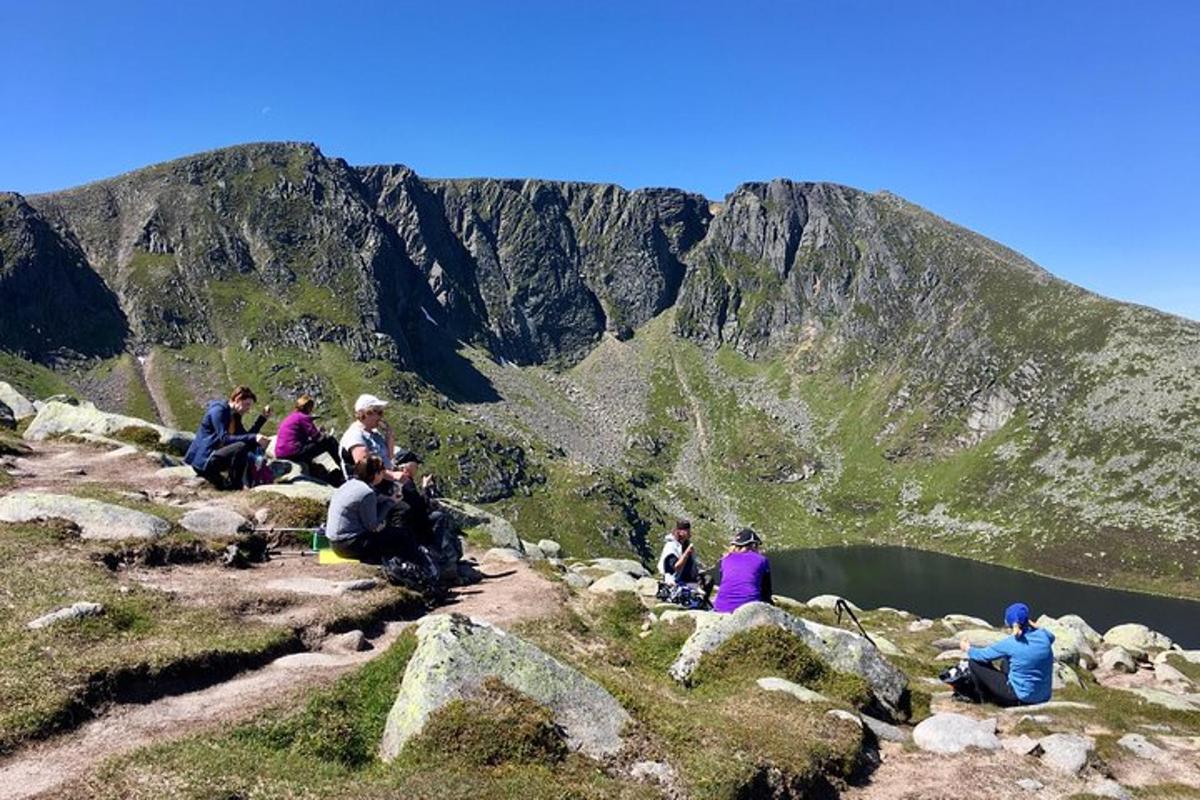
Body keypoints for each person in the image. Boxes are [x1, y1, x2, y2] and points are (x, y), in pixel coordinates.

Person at [953, 602, 1055, 707]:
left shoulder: (1011, 643)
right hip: (1043, 696)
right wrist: (1032, 624)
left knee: (974, 663)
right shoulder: (1044, 636)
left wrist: (967, 648)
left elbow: (981, 655)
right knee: (1005, 662)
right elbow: (1052, 636)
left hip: (1020, 697)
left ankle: (984, 699)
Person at [391, 450, 465, 583]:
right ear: (407, 466)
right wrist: (426, 489)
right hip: (411, 525)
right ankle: (436, 551)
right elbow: (420, 507)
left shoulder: (397, 480)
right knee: (439, 516)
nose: (417, 468)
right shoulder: (405, 482)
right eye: (415, 465)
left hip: (404, 523)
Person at [184, 386, 270, 490]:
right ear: (238, 400)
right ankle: (235, 486)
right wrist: (254, 437)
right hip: (206, 459)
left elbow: (245, 437)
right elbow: (224, 438)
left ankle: (241, 483)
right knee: (241, 446)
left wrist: (262, 419)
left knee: (248, 444)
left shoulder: (234, 416)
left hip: (217, 456)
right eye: (247, 405)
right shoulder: (219, 411)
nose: (248, 409)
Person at [325, 455, 408, 563]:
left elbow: (375, 500)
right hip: (349, 545)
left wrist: (388, 499)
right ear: (376, 474)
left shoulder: (349, 484)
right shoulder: (367, 493)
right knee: (400, 535)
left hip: (335, 542)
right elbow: (373, 526)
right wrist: (390, 503)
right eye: (382, 472)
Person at [274, 395, 344, 486]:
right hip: (293, 452)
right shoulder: (303, 417)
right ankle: (345, 467)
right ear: (308, 407)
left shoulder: (292, 416)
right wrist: (322, 434)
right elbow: (316, 437)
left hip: (281, 453)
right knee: (329, 441)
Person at [339, 394, 404, 491]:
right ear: (365, 413)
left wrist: (389, 435)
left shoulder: (374, 433)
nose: (381, 416)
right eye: (378, 412)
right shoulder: (355, 435)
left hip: (382, 479)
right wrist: (393, 475)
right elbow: (367, 469)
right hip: (368, 486)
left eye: (381, 412)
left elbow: (389, 457)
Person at [712, 528, 773, 614]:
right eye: (758, 545)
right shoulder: (762, 560)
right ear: (753, 545)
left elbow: (725, 581)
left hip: (720, 608)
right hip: (748, 609)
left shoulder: (725, 559)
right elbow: (766, 591)